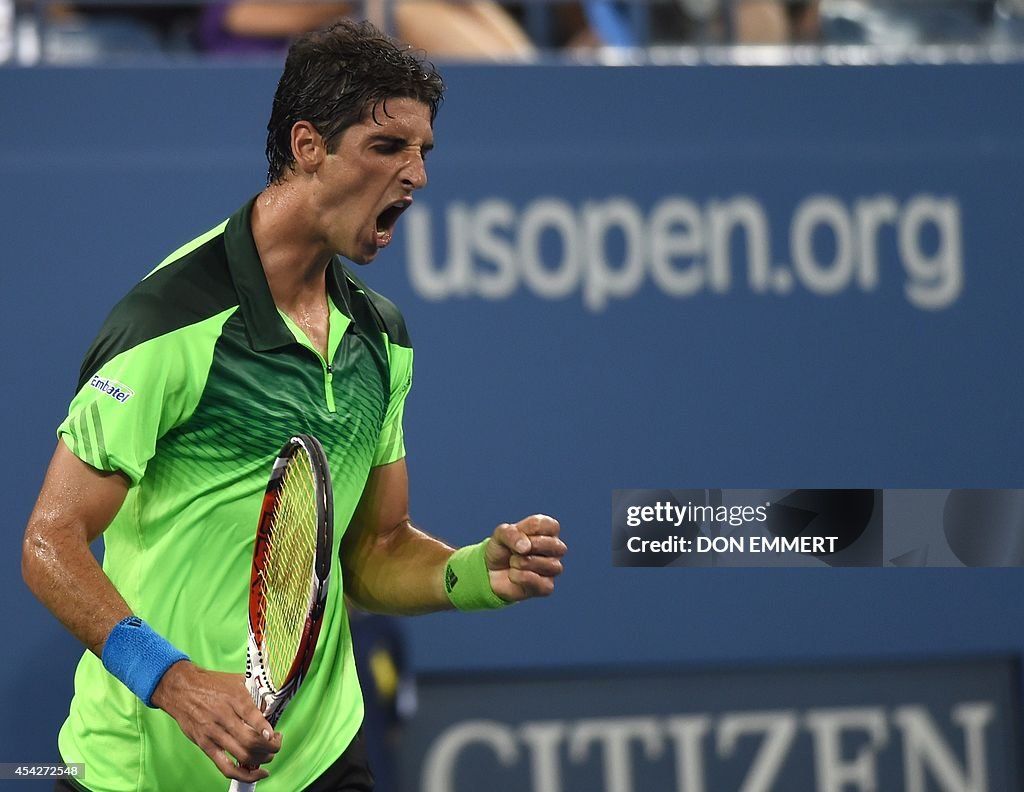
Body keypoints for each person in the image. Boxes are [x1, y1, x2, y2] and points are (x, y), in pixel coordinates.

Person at [21, 19, 566, 792]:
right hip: (141, 770)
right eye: (387, 147)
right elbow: (51, 542)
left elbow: (372, 552)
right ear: (308, 146)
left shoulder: (382, 339)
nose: (417, 175)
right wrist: (174, 682)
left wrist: (475, 571)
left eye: (423, 153)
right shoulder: (170, 324)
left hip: (318, 759)